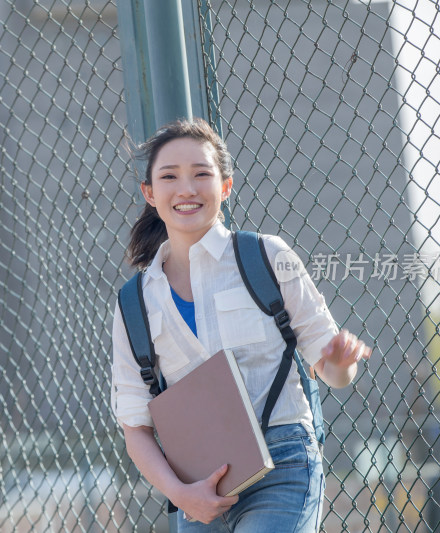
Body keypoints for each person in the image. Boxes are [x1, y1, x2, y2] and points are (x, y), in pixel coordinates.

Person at [110, 118, 372, 531]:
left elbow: (334, 371)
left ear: (225, 187)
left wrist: (340, 360)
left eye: (202, 174)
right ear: (150, 193)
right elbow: (135, 426)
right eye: (169, 176)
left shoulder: (266, 257)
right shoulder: (134, 301)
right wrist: (181, 495)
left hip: (283, 462)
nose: (187, 188)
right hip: (196, 487)